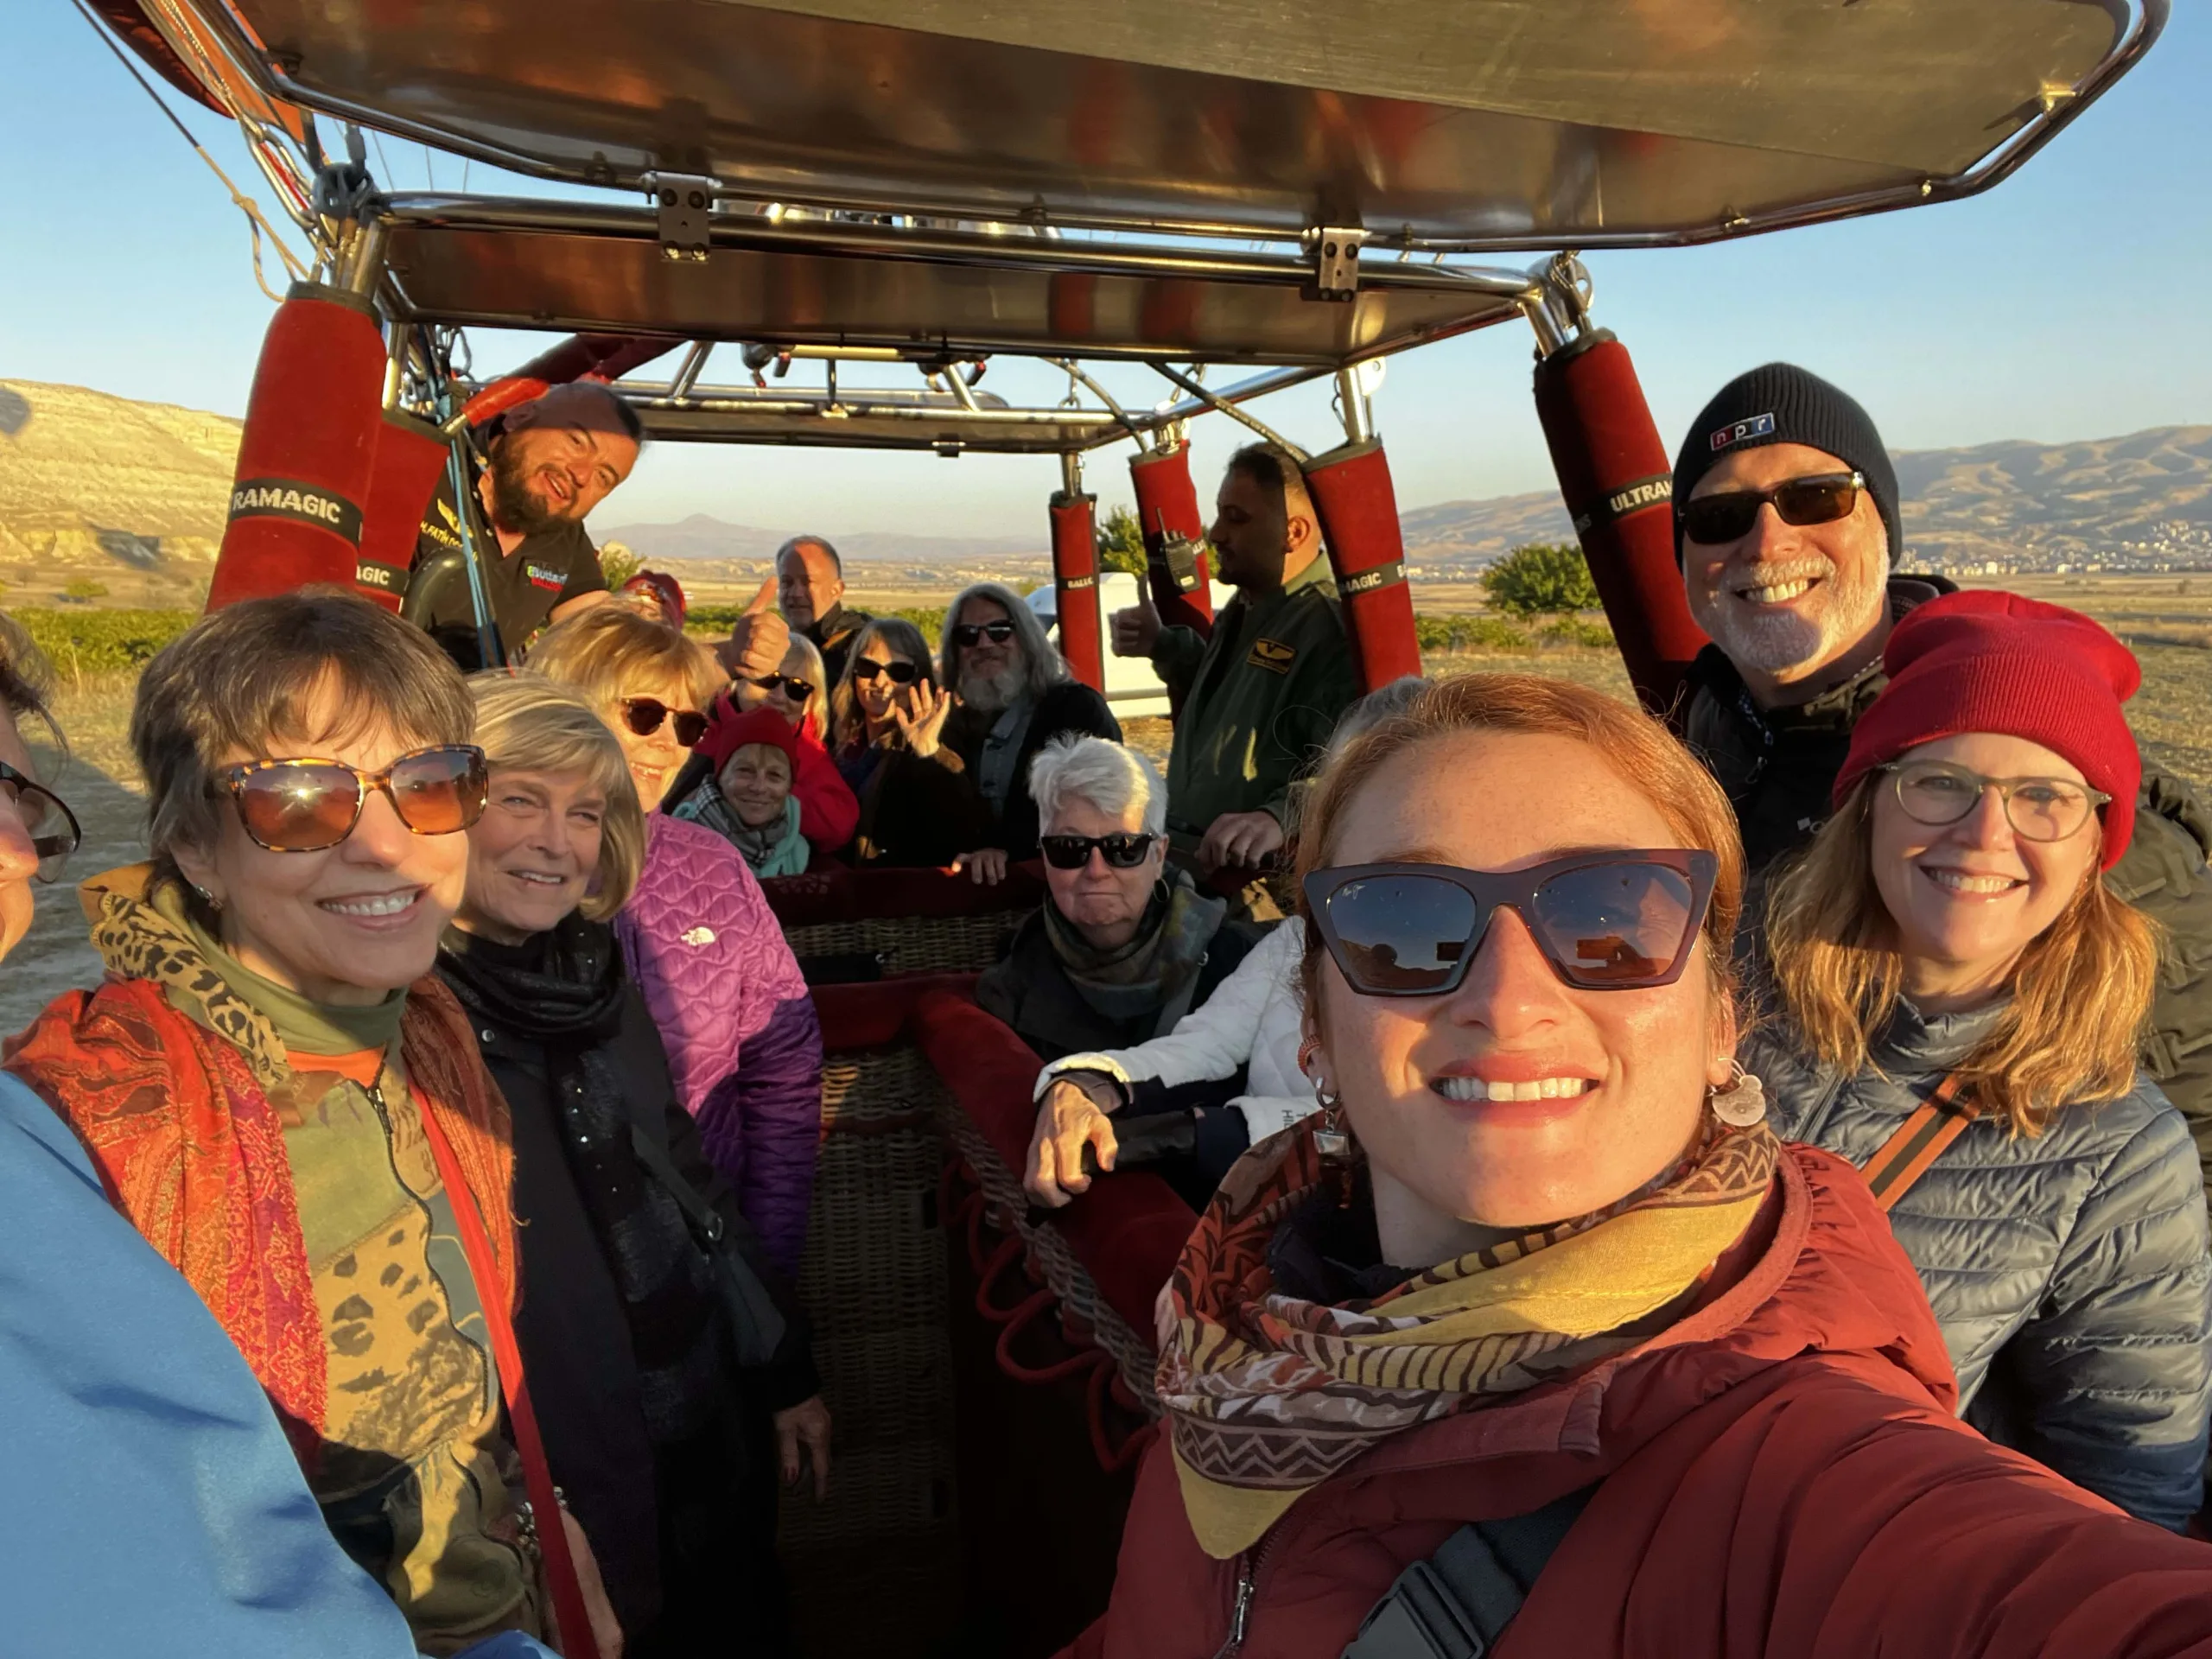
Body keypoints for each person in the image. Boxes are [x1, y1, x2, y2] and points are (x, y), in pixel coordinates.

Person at [1068, 673, 2212, 1659]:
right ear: (1314, 1022)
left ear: (1722, 1021)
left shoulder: (1800, 1474)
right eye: (1403, 923)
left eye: (1611, 919)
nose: (1508, 997)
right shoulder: (1229, 1336)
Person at [3, 594, 619, 1656]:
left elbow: (463, 1361)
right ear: (194, 847)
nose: (387, 847)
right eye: (299, 801)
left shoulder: (427, 1030)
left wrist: (541, 1525)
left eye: (428, 785)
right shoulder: (92, 1120)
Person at [1667, 363, 2212, 1190]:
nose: (1767, 542)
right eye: (1720, 515)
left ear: (1885, 527)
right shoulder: (1687, 745)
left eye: (1816, 499)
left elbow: (2194, 1125)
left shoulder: (2037, 778)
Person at [1752, 592, 2211, 1529]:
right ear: (1869, 804)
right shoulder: (1709, 1001)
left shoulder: (2118, 1156)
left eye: (2044, 798)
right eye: (1941, 781)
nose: (1985, 833)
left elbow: (2126, 1502)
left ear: (2095, 846)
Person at [436, 674, 829, 1654]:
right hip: (551, 1478)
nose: (556, 840)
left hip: (698, 1422)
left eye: (584, 813)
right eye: (520, 800)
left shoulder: (590, 974)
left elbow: (684, 1178)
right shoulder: (408, 1019)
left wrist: (783, 1366)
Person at [1023, 679, 1430, 1211]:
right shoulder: (1295, 941)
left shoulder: (1476, 963)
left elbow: (1389, 1128)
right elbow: (1202, 1047)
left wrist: (1189, 1134)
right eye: (1347, 801)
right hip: (1270, 1219)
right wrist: (1082, 1086)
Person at [528, 606, 824, 1281]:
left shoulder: (714, 868)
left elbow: (781, 1069)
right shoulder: (499, 869)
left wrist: (766, 1255)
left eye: (688, 725)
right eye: (644, 714)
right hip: (556, 1261)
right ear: (568, 706)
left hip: (704, 1241)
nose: (667, 742)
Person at [1110, 442, 1357, 905]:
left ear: (1293, 532)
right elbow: (1232, 698)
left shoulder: (1327, 631)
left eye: (1236, 518)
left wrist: (1278, 816)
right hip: (1196, 868)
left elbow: (1354, 766)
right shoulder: (1245, 609)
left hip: (1254, 887)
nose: (1216, 534)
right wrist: (1162, 644)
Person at [978, 735, 1262, 1085]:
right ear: (1045, 859)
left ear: (1158, 856)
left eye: (1123, 846)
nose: (1096, 870)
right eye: (1069, 847)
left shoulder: (1242, 968)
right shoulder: (1011, 987)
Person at [408, 382, 643, 671]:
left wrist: (652, 643)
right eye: (576, 442)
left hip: (465, 697)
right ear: (519, 416)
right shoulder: (424, 456)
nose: (581, 475)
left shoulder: (563, 534)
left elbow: (592, 626)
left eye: (603, 477)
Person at [938, 581, 1121, 882]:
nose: (984, 644)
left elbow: (1103, 808)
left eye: (999, 631)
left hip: (1058, 886)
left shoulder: (1075, 709)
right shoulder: (953, 722)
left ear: (1026, 637)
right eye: (968, 635)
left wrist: (1011, 852)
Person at [664, 632, 859, 861]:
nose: (779, 697)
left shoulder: (809, 753)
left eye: (797, 689)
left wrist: (762, 792)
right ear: (737, 679)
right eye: (768, 680)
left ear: (810, 703)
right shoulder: (697, 726)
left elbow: (839, 826)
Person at [830, 616, 994, 868]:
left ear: (919, 679)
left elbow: (959, 823)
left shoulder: (934, 742)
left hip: (894, 884)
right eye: (868, 667)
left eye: (899, 671)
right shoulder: (840, 736)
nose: (880, 682)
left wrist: (929, 752)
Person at [669, 704, 813, 879]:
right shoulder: (680, 839)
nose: (759, 787)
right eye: (745, 771)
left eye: (774, 775)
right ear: (721, 776)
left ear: (789, 785)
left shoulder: (798, 853)